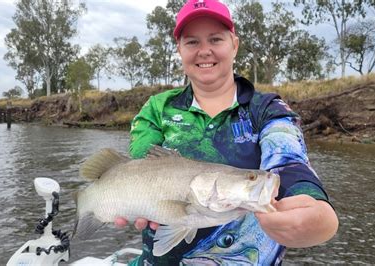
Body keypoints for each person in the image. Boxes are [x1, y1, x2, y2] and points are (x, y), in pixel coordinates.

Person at [116, 0, 338, 264]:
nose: (204, 51)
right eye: (192, 42)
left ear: (234, 45)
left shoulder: (268, 108)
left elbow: (288, 162)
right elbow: (145, 165)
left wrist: (314, 207)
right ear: (179, 49)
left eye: (215, 39)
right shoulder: (157, 108)